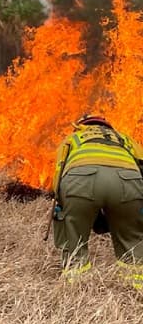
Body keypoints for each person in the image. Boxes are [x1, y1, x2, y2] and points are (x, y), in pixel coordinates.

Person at [52, 114, 143, 287]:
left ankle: (75, 285)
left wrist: (61, 203)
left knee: (73, 234)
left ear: (82, 125)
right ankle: (136, 289)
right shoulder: (124, 138)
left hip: (81, 181)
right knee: (132, 237)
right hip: (128, 182)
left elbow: (59, 169)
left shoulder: (74, 137)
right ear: (108, 127)